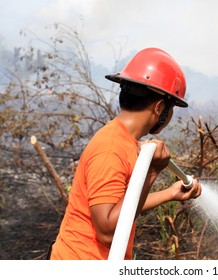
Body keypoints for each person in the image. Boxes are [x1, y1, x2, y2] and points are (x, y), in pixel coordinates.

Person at [50, 48, 202, 260]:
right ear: (160, 107)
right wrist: (150, 173)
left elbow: (122, 205)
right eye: (172, 107)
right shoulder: (110, 148)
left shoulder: (124, 140)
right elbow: (108, 231)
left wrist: (170, 193)